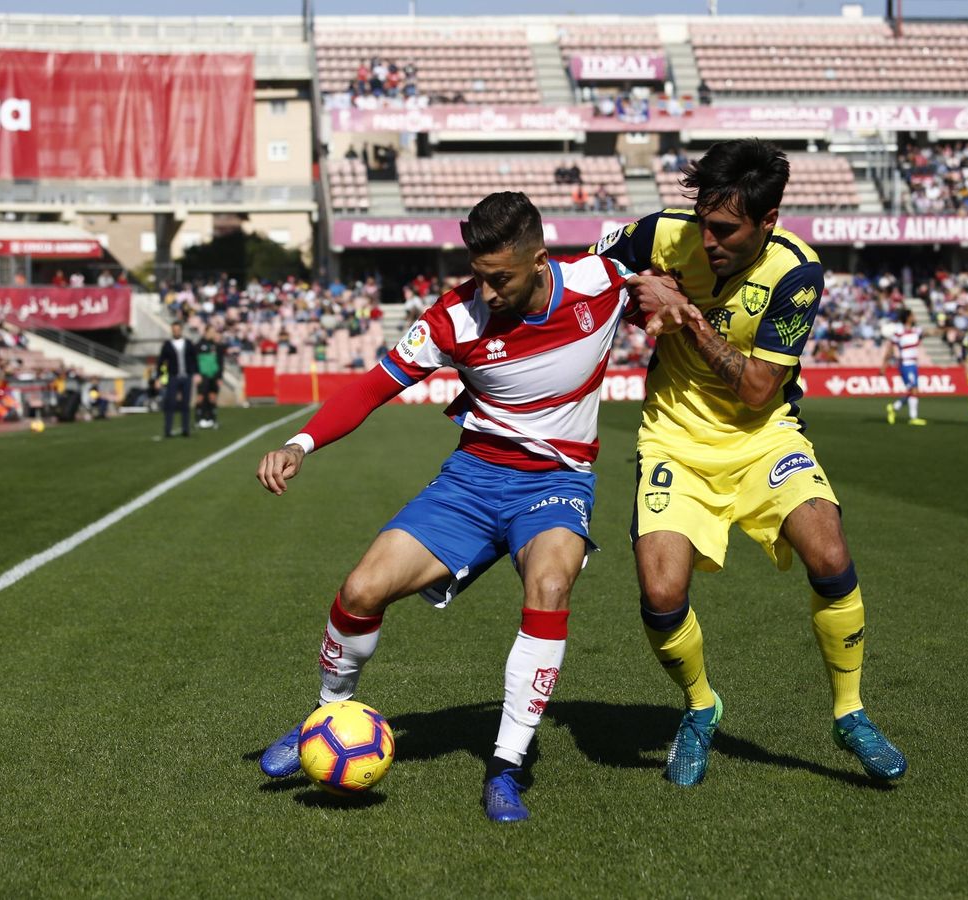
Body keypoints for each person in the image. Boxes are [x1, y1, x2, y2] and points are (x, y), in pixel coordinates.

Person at [254, 192, 663, 822]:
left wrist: (673, 300)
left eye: (501, 277)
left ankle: (506, 765)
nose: (488, 291)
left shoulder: (600, 283)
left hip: (555, 484)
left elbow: (677, 249)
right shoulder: (452, 318)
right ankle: (328, 715)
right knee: (362, 589)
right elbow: (372, 385)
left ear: (539, 260)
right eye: (479, 275)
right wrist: (300, 442)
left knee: (550, 585)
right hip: (470, 483)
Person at [594, 138, 907, 786]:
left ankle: (850, 713)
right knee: (660, 591)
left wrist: (687, 319)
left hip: (763, 437)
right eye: (704, 222)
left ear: (767, 222)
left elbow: (760, 388)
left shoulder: (797, 273)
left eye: (726, 230)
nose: (707, 241)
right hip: (674, 440)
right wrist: (634, 282)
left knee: (829, 555)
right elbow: (588, 275)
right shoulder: (660, 234)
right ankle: (701, 706)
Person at [883, 309, 927, 426]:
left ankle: (894, 407)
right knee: (913, 390)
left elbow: (927, 333)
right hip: (905, 364)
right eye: (912, 315)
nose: (914, 317)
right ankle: (913, 417)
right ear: (907, 318)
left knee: (913, 391)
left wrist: (943, 329)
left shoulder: (916, 330)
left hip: (913, 364)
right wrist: (884, 365)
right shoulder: (899, 332)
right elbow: (890, 349)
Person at [156, 321, 194, 439]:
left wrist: (195, 373)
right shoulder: (167, 345)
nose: (176, 332)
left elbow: (193, 359)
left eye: (178, 329)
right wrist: (159, 377)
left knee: (185, 404)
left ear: (181, 330)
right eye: (174, 330)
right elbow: (161, 362)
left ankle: (185, 429)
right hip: (173, 376)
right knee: (170, 403)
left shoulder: (188, 343)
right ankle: (168, 429)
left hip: (186, 376)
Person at [194, 327, 224, 430]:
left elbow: (220, 362)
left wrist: (219, 377)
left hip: (214, 375)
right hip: (203, 376)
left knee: (212, 397)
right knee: (201, 397)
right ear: (206, 332)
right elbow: (194, 361)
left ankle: (212, 419)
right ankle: (198, 419)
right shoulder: (198, 345)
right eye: (211, 332)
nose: (213, 334)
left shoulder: (216, 346)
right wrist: (196, 374)